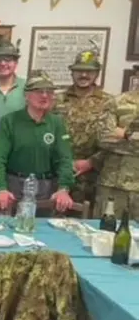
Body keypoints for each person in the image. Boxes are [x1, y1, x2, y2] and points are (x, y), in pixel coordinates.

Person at [0, 70, 75, 212]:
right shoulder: (9, 121)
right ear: (26, 95)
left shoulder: (56, 123)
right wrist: (0, 188)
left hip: (46, 188)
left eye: (49, 92)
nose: (45, 96)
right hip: (13, 187)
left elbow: (64, 158)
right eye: (39, 91)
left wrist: (63, 188)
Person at [53, 47, 117, 205]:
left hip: (93, 175)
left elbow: (113, 139)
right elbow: (46, 133)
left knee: (88, 217)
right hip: (58, 172)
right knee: (53, 215)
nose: (83, 75)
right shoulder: (56, 100)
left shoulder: (109, 102)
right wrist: (63, 162)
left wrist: (91, 162)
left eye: (89, 71)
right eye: (79, 70)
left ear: (97, 73)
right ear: (72, 72)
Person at [97, 76, 139, 218]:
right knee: (105, 229)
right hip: (114, 184)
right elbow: (103, 138)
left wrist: (123, 134)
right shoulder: (117, 102)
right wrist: (130, 136)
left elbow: (113, 136)